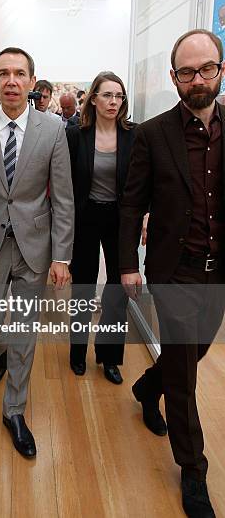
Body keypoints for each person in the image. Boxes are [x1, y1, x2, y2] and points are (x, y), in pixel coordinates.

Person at [120, 29, 225, 518]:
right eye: (187, 71)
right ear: (174, 78)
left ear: (221, 70)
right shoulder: (152, 134)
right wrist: (125, 264)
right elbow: (131, 204)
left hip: (217, 273)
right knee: (183, 378)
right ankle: (194, 470)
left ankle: (145, 387)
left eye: (206, 68)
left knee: (193, 354)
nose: (197, 78)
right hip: (175, 271)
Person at [0, 47, 74, 458]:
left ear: (30, 81)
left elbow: (63, 197)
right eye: (3, 73)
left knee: (25, 329)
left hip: (34, 246)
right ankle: (3, 350)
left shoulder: (53, 130)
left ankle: (15, 411)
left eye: (19, 73)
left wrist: (62, 255)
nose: (11, 80)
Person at [67, 72, 135, 383]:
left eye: (119, 96)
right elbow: (64, 183)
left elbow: (140, 183)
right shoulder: (76, 135)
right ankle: (77, 352)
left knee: (118, 289)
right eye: (107, 95)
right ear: (93, 98)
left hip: (119, 219)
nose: (113, 102)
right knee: (83, 284)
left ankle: (109, 357)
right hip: (85, 217)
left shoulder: (132, 135)